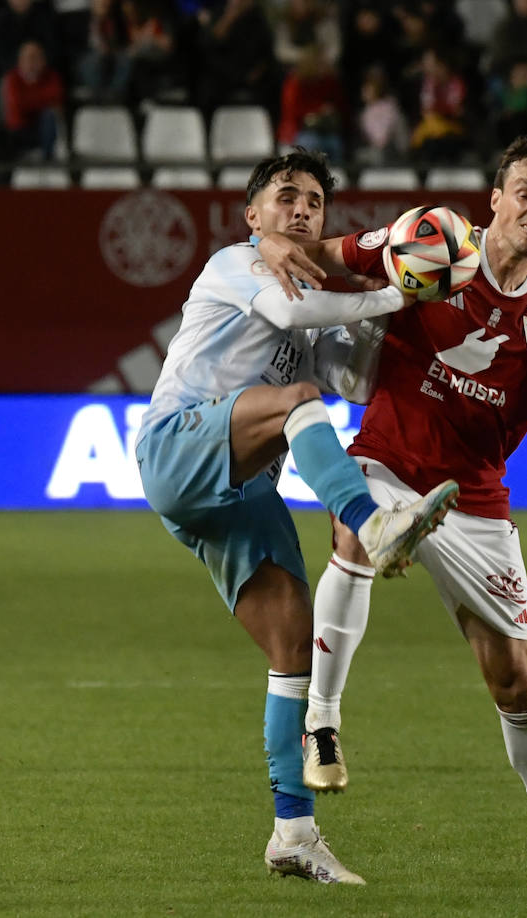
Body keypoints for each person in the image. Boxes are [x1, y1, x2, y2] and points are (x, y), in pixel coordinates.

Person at [257, 133, 527, 877]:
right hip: (389, 461)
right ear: (495, 198)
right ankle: (323, 722)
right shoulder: (431, 238)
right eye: (525, 193)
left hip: (474, 500)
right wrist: (274, 244)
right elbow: (331, 253)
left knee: (514, 679)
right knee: (356, 531)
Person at [133, 149, 459, 886]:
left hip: (242, 489)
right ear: (254, 215)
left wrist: (410, 297)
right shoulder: (233, 264)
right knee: (296, 401)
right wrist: (388, 299)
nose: (301, 209)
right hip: (178, 445)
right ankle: (366, 521)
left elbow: (354, 376)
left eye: (314, 201)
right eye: (285, 197)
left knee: (294, 654)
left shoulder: (310, 303)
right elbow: (289, 313)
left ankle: (293, 834)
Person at [1, 40, 64, 160]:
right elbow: (17, 105)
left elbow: (56, 98)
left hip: (42, 130)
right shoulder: (12, 78)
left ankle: (47, 160)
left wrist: (29, 100)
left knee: (49, 116)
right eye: (28, 58)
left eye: (36, 57)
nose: (32, 62)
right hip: (18, 129)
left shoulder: (52, 76)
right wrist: (42, 100)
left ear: (43, 60)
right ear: (20, 61)